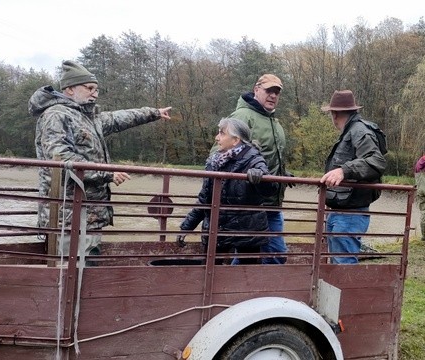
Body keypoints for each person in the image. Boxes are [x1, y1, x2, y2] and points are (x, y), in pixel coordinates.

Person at [30, 60, 172, 257]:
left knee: (86, 270)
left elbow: (119, 118)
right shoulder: (56, 116)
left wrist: (153, 113)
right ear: (70, 89)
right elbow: (60, 159)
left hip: (87, 213)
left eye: (96, 89)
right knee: (69, 273)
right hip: (67, 216)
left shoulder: (88, 118)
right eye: (89, 88)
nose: (94, 93)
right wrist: (107, 173)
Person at [177, 118, 277, 265]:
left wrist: (259, 177)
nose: (217, 138)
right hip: (217, 228)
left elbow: (270, 190)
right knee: (210, 272)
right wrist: (186, 226)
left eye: (222, 134)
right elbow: (205, 198)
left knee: (246, 276)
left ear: (236, 140)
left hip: (246, 232)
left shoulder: (254, 160)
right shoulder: (213, 162)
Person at [226, 74, 290, 264]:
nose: (273, 95)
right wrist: (246, 173)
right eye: (269, 90)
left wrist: (280, 174)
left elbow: (266, 156)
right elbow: (219, 155)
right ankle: (254, 291)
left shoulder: (274, 122)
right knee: (259, 255)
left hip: (270, 202)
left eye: (277, 92)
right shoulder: (242, 117)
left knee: (260, 255)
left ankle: (252, 290)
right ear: (256, 90)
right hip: (250, 203)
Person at [320, 90, 386, 264]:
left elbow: (376, 162)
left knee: (343, 267)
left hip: (351, 213)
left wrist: (344, 170)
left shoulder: (359, 131)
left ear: (334, 114)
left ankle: (347, 292)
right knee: (336, 267)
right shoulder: (351, 131)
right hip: (341, 211)